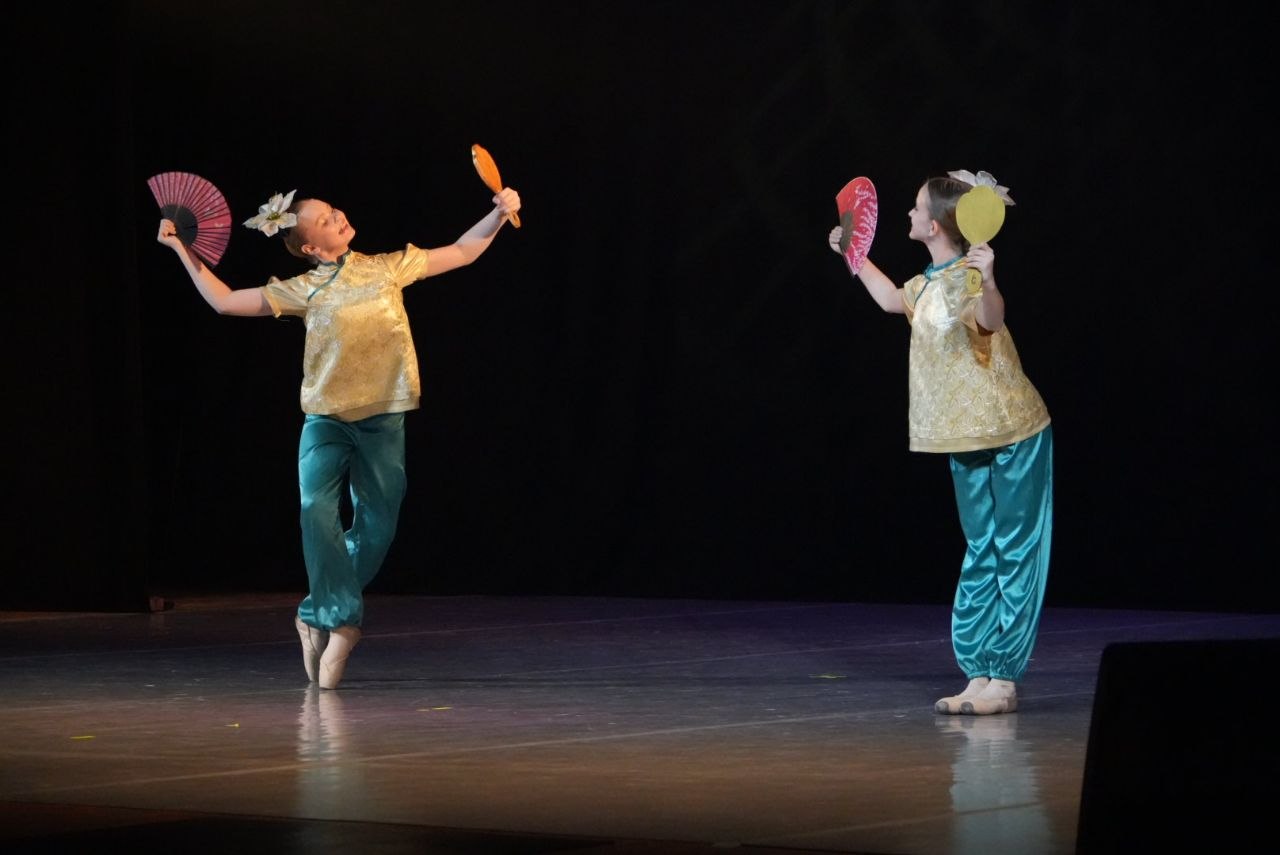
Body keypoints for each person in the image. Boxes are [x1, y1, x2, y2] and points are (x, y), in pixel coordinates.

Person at [157, 183, 521, 689]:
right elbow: (224, 301)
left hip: (383, 417)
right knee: (315, 509)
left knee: (377, 527)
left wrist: (498, 215)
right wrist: (181, 247)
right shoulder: (303, 288)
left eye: (333, 211)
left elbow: (461, 251)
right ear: (310, 246)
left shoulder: (387, 267)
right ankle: (344, 624)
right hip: (326, 419)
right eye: (326, 220)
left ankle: (314, 613)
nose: (338, 216)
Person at [828, 170, 1052, 715]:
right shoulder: (927, 284)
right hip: (963, 434)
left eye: (915, 207)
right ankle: (978, 671)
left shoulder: (969, 280)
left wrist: (990, 280)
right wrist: (853, 253)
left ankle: (1004, 677)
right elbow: (890, 300)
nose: (908, 214)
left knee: (1015, 548)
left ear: (934, 225)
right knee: (980, 548)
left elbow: (990, 321)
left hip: (1014, 431)